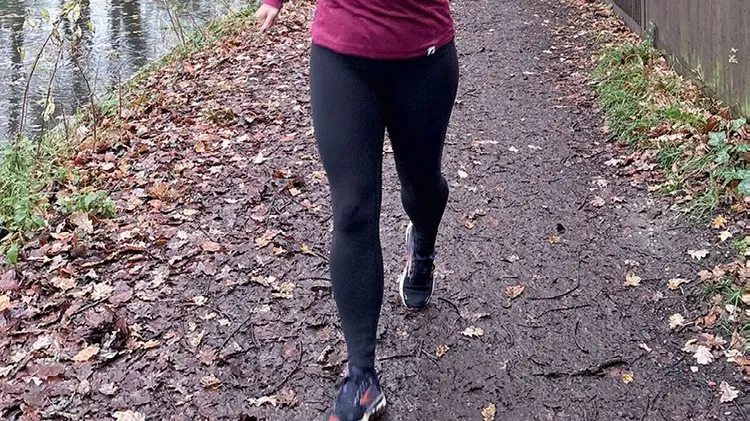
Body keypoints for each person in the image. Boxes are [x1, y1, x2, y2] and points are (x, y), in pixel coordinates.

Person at [255, 0, 458, 419]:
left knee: (422, 188)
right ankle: (361, 378)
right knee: (352, 209)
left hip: (423, 57)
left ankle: (422, 247)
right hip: (341, 56)